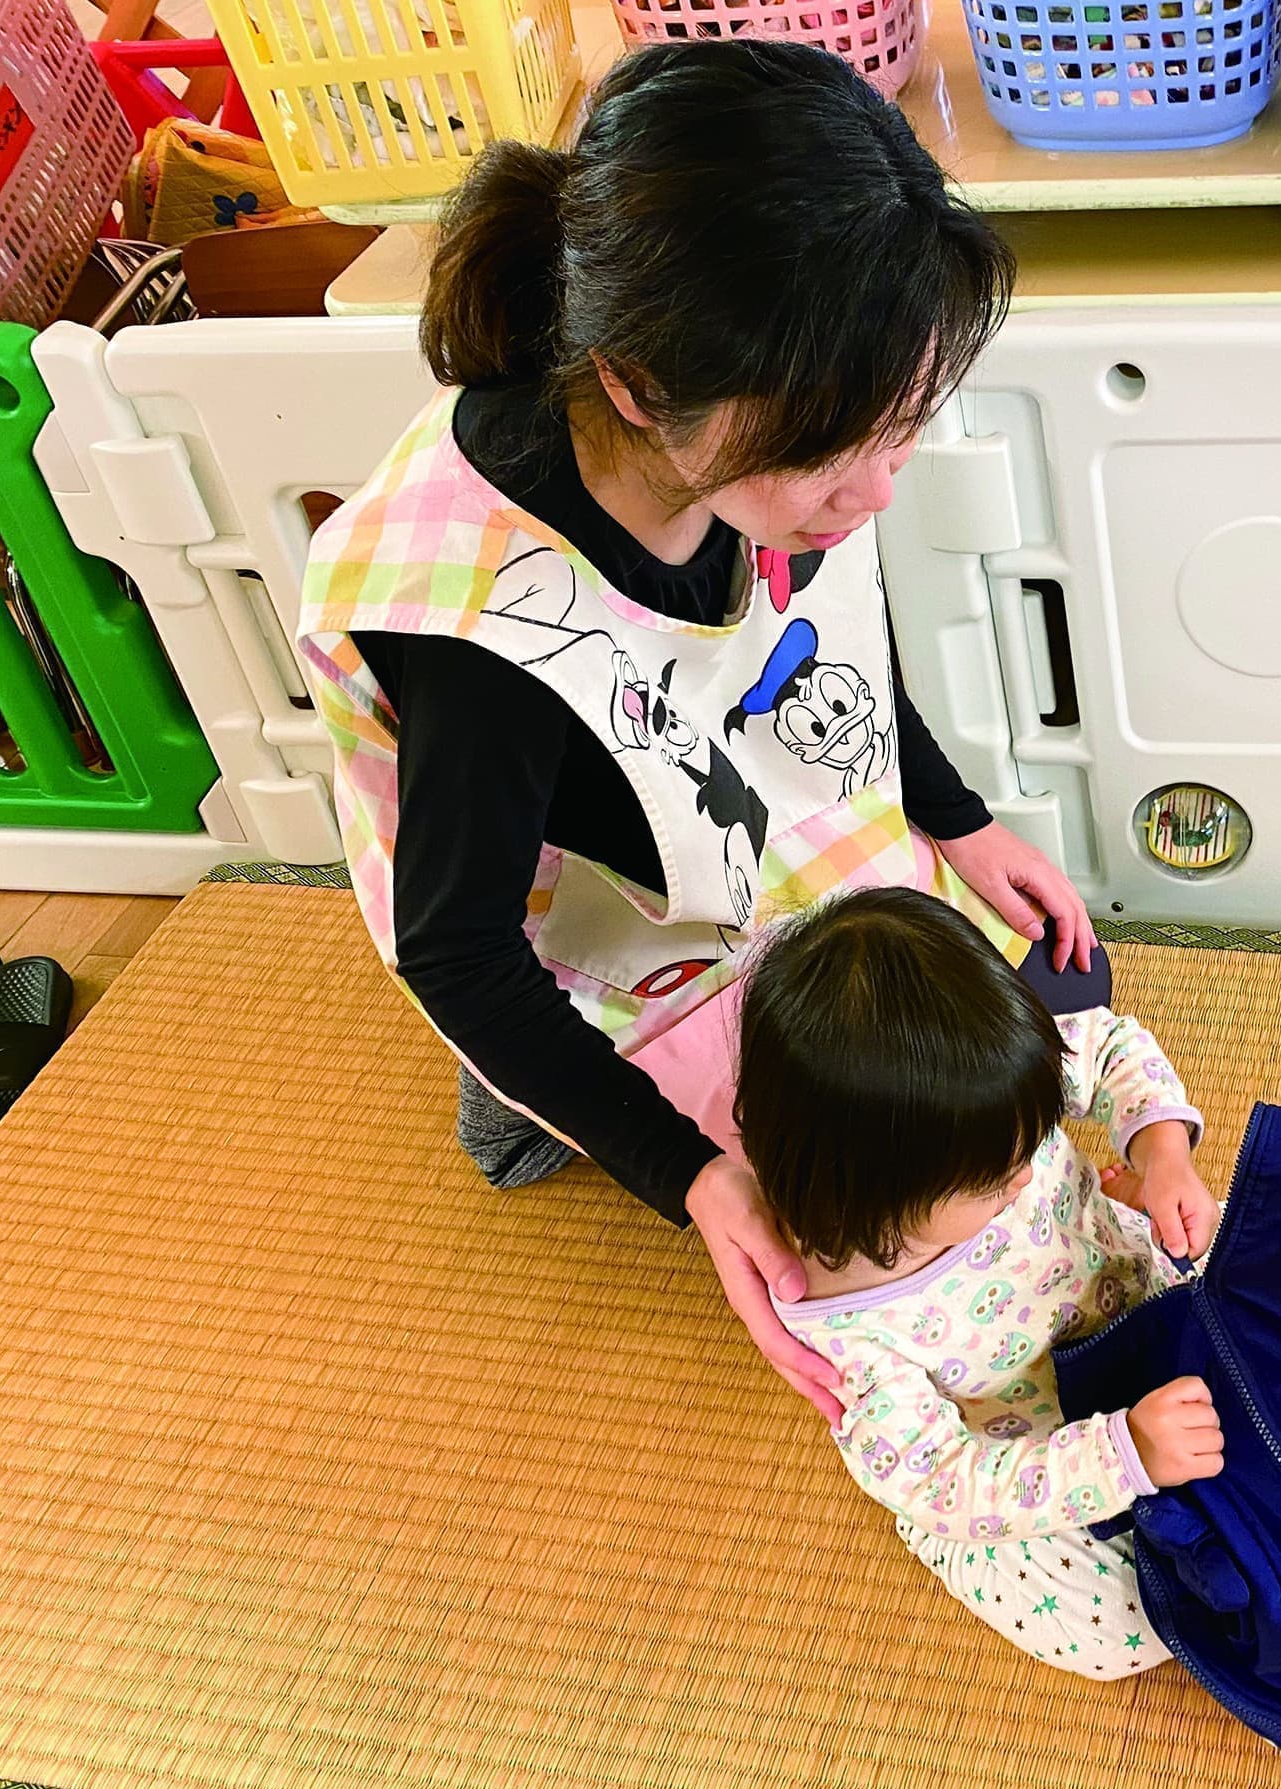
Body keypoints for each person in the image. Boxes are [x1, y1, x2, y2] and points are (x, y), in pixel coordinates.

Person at [297, 41, 1102, 1425]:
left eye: (902, 434)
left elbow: (821, 653)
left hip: (726, 817)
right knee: (809, 1179)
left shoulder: (762, 445)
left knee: (987, 1060)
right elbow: (458, 944)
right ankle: (512, 1114)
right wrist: (691, 1177)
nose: (872, 493)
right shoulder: (479, 628)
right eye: (833, 453)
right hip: (590, 917)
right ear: (628, 385)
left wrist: (958, 820)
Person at [739, 888, 1222, 1677]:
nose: (1032, 1169)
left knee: (1269, 1251)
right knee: (1117, 1625)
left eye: (1035, 1139)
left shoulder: (982, 1099)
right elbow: (941, 1479)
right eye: (1001, 1177)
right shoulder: (847, 1334)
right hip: (1025, 1442)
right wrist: (1119, 1453)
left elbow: (1107, 1047)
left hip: (1123, 1281)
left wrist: (1162, 1156)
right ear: (872, 1195)